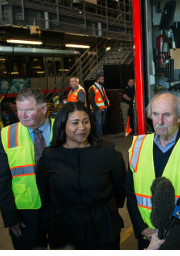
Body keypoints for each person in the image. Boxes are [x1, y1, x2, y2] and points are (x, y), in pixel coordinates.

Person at [35, 101, 126, 249]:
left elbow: (119, 187)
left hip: (103, 227)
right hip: (64, 229)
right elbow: (45, 193)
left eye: (86, 121)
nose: (82, 128)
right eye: (75, 123)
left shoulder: (108, 152)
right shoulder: (49, 156)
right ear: (63, 125)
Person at [125, 92, 180, 248]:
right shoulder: (137, 146)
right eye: (155, 114)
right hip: (147, 238)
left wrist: (177, 232)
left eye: (166, 115)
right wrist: (141, 229)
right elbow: (130, 193)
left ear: (179, 117)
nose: (160, 121)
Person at [0, 88, 53, 249]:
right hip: (25, 214)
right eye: (19, 110)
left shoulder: (63, 128)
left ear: (43, 109)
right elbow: (1, 180)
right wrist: (10, 218)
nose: (22, 115)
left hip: (61, 211)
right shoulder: (7, 134)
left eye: (28, 110)